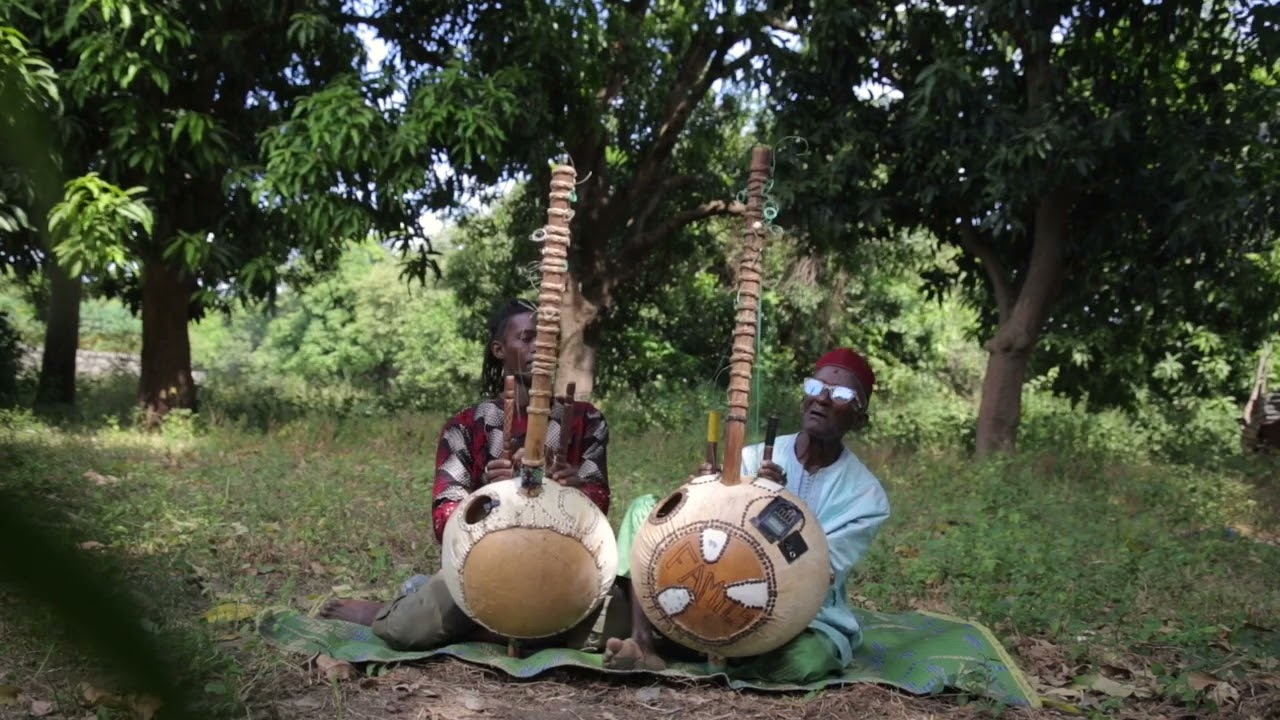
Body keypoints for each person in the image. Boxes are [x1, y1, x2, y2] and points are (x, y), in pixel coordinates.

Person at [321, 297, 622, 650]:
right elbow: (444, 520)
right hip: (484, 570)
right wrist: (489, 498)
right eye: (526, 338)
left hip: (560, 570)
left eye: (547, 340)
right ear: (499, 349)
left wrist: (570, 489)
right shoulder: (464, 426)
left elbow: (598, 506)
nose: (540, 350)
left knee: (620, 622)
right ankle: (407, 610)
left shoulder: (586, 421)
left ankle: (495, 629)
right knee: (405, 629)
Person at [603, 347, 892, 683]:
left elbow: (817, 570)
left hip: (801, 613)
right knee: (645, 509)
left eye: (840, 394)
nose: (822, 399)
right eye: (814, 387)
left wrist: (777, 507)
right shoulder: (754, 457)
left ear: (859, 418)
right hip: (717, 582)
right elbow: (711, 531)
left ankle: (717, 655)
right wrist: (704, 489)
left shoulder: (867, 498)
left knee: (809, 660)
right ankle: (644, 645)